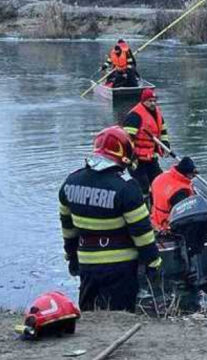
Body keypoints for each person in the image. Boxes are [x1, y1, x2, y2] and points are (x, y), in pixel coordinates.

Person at [58, 126, 162, 312]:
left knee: (89, 316)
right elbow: (141, 232)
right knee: (120, 315)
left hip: (87, 263)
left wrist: (71, 256)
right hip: (120, 267)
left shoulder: (70, 182)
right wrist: (153, 262)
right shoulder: (127, 188)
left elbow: (68, 229)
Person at [122, 88, 171, 197]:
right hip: (137, 159)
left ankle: (156, 205)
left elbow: (163, 131)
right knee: (142, 186)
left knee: (159, 182)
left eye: (154, 100)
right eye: (150, 101)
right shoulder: (135, 116)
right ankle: (143, 206)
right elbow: (126, 139)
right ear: (143, 101)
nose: (153, 103)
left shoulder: (157, 113)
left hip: (150, 157)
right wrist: (132, 156)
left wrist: (165, 144)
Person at [150, 156, 198, 233]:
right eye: (192, 174)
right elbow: (184, 214)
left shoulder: (161, 176)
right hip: (167, 224)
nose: (194, 176)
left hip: (155, 219)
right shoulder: (180, 191)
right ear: (186, 173)